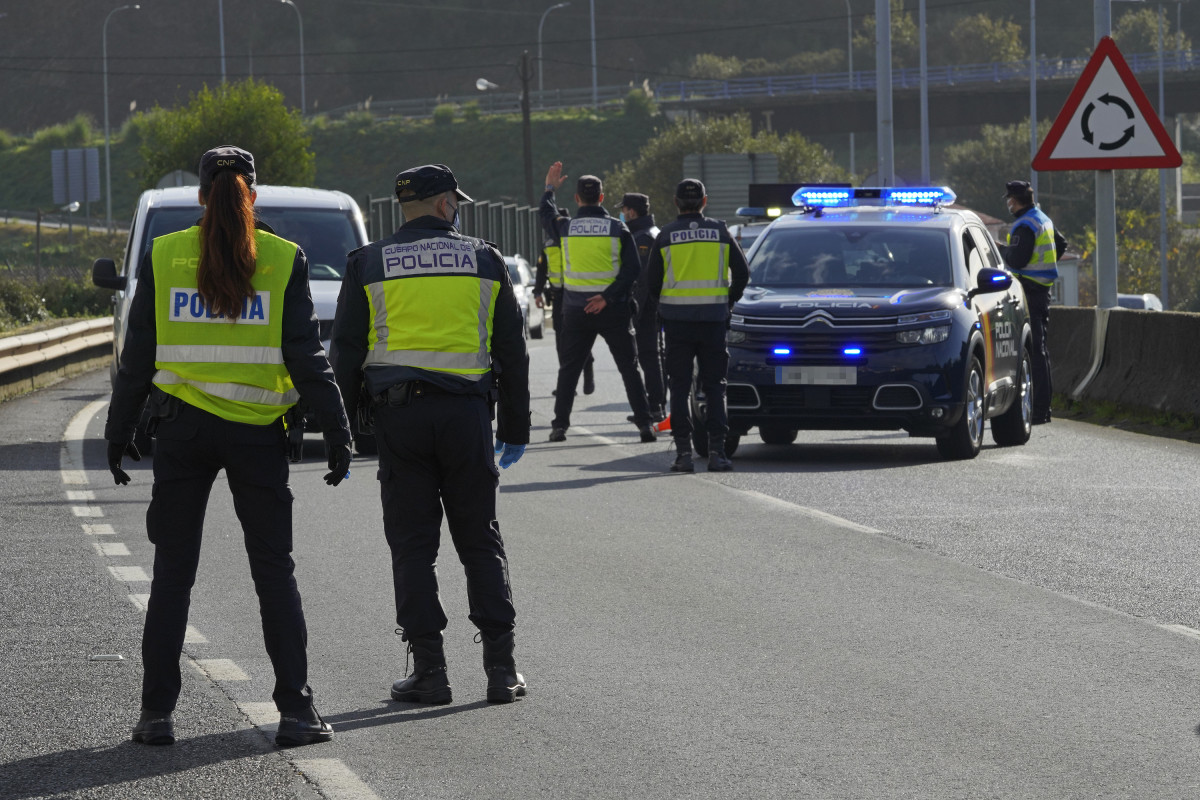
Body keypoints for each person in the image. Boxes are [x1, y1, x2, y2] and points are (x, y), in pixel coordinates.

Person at [104, 145, 351, 748]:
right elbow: (305, 355)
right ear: (253, 196)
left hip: (182, 434)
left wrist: (119, 430)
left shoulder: (164, 254)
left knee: (172, 577)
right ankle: (295, 711)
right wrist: (338, 429)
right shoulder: (282, 258)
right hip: (257, 436)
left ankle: (155, 715)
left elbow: (137, 358)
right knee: (274, 574)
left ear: (200, 197)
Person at [329, 163, 530, 705]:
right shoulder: (485, 259)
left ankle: (431, 672)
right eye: (455, 202)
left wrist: (339, 434)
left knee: (413, 547)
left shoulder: (369, 263)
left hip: (399, 423)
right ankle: (501, 670)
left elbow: (344, 355)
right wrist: (515, 427)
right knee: (480, 540)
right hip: (467, 419)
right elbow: (511, 352)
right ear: (445, 205)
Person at [540, 162, 656, 443]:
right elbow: (632, 271)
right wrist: (606, 297)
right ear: (602, 197)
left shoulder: (566, 227)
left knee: (569, 369)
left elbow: (546, 213)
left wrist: (550, 188)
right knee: (629, 367)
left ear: (578, 199)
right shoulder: (618, 228)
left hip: (576, 310)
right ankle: (644, 425)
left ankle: (559, 426)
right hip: (613, 309)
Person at [646, 178, 749, 472]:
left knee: (679, 389)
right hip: (713, 321)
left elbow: (652, 283)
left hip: (677, 323)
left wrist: (667, 304)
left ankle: (683, 455)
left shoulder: (665, 235)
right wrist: (727, 301)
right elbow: (742, 273)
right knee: (715, 387)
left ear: (676, 202)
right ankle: (717, 452)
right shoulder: (720, 231)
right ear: (705, 201)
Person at [999, 179, 1067, 425]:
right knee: (1040, 350)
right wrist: (1044, 267)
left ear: (1013, 201)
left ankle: (1039, 411)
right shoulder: (1041, 218)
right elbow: (1061, 244)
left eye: (1009, 199)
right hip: (1042, 290)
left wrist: (1002, 250)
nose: (1008, 203)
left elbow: (1016, 260)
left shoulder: (1024, 225)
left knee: (1034, 352)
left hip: (1028, 290)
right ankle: (1042, 409)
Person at [533, 208, 595, 396]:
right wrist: (537, 293)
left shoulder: (576, 240)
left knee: (581, 338)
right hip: (559, 298)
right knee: (562, 342)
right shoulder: (547, 243)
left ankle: (588, 372)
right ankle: (568, 385)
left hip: (577, 295)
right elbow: (542, 270)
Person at [616, 192, 666, 422]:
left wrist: (634, 312)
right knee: (649, 357)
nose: (623, 214)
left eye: (624, 210)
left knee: (648, 357)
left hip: (645, 310)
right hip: (652, 308)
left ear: (632, 212)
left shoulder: (642, 238)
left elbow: (643, 280)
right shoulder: (650, 233)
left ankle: (654, 406)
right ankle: (653, 404)